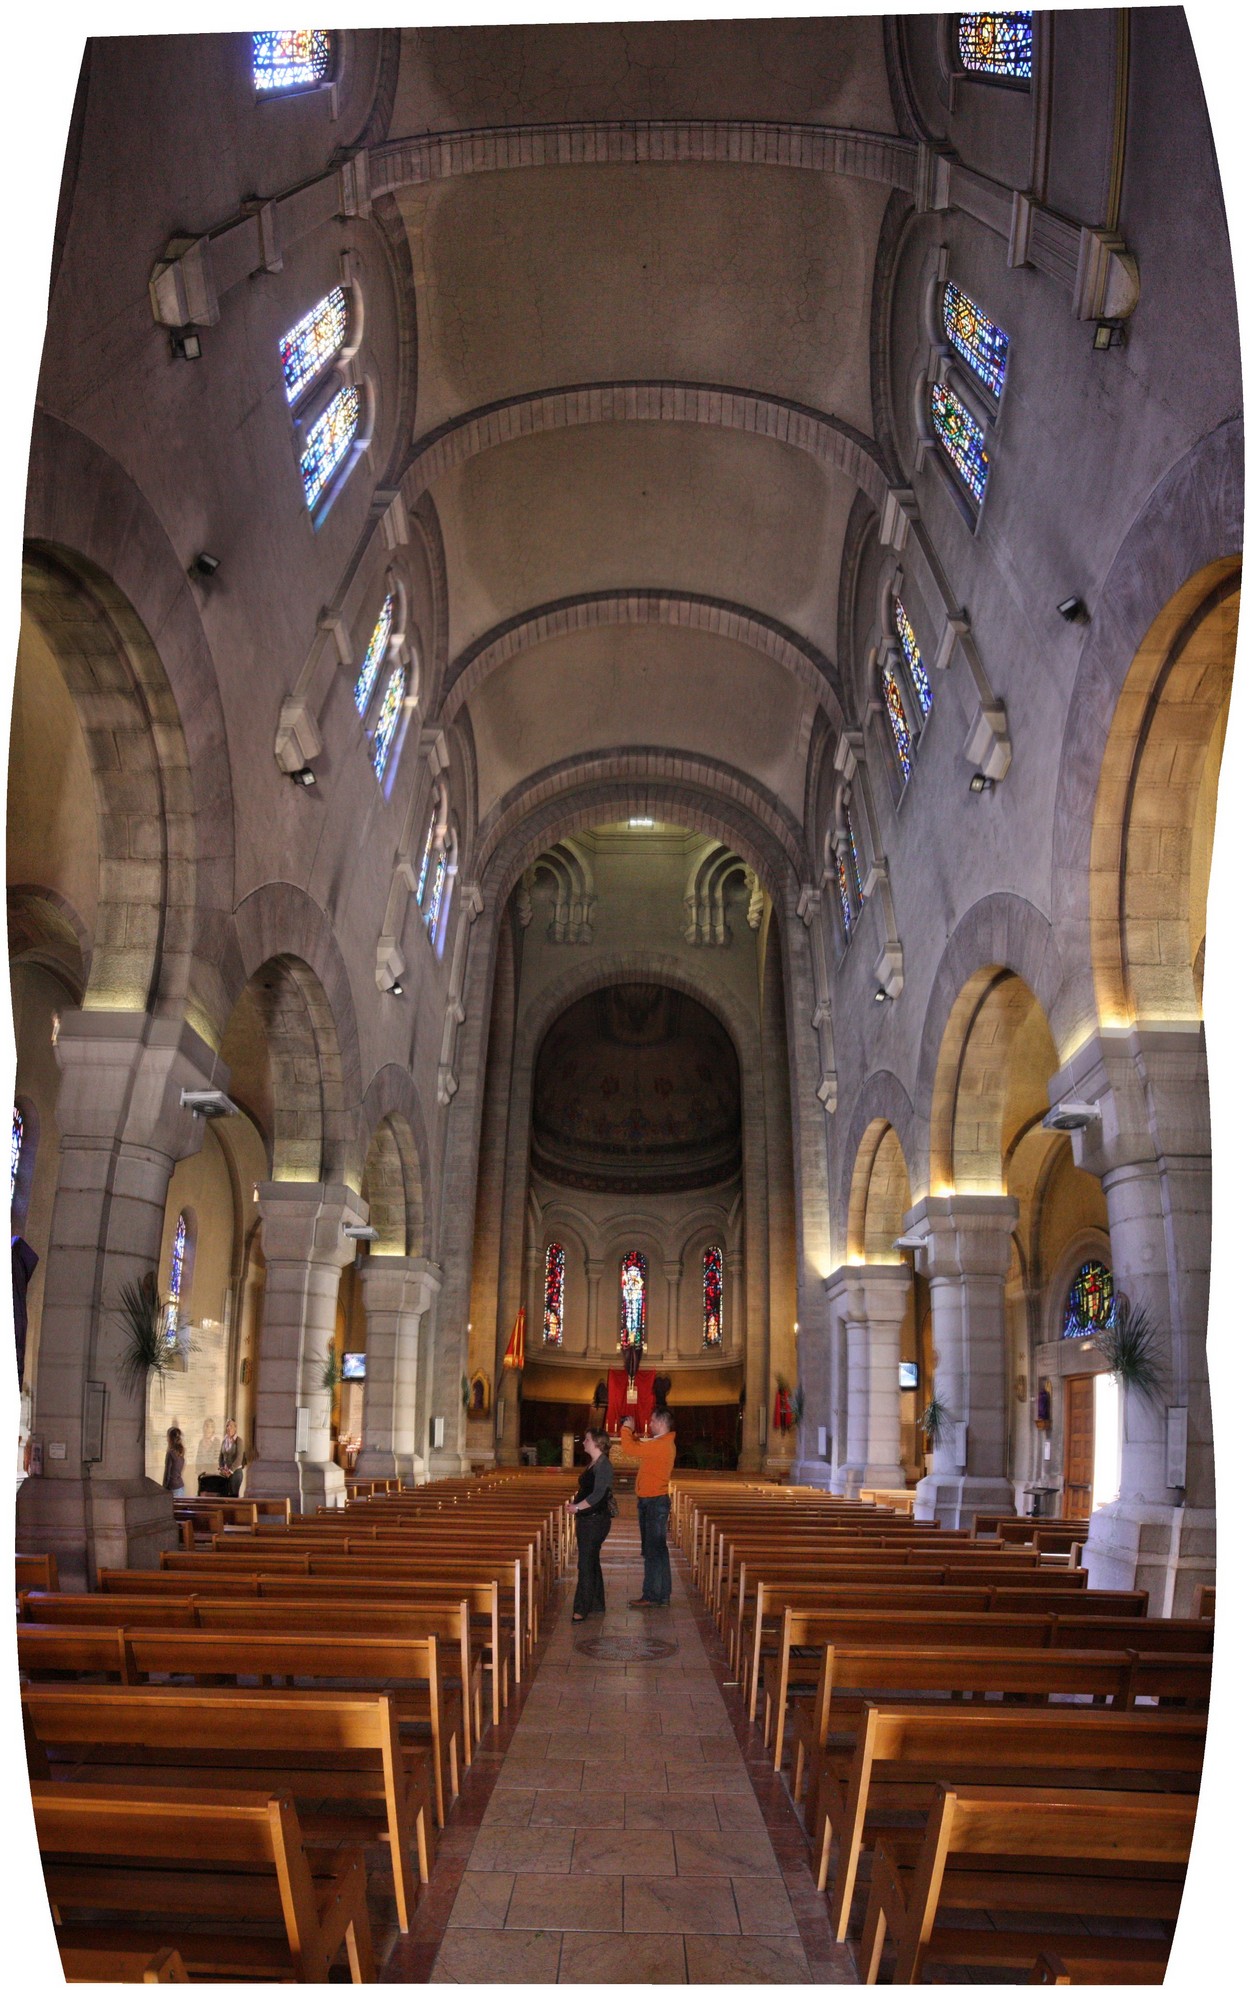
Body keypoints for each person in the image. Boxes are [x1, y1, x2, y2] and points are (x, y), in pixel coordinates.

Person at [619, 1406, 676, 1608]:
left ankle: (651, 1594)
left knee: (652, 1550)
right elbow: (640, 1447)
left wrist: (626, 1429)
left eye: (652, 1421)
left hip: (653, 1502)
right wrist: (633, 1434)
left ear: (661, 1422)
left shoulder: (661, 1444)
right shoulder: (663, 1443)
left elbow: (629, 1449)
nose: (650, 1424)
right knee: (658, 1550)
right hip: (654, 1500)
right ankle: (662, 1593)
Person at [568, 1426, 614, 1622]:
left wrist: (577, 1507)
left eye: (586, 1439)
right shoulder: (595, 1463)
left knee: (585, 1563)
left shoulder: (603, 1465)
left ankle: (581, 1608)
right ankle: (596, 1602)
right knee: (591, 1560)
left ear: (596, 1442)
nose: (584, 1442)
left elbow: (597, 1495)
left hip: (595, 1520)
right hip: (589, 1519)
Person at [219, 1418, 245, 1497]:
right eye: (227, 1426)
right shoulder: (224, 1440)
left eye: (230, 1426)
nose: (228, 1428)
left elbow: (239, 1458)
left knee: (233, 1496)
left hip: (236, 1473)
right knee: (225, 1495)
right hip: (226, 1473)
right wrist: (222, 1468)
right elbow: (221, 1456)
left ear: (235, 1428)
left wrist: (230, 1471)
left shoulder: (238, 1441)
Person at [161, 1425, 185, 1493]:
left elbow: (167, 1474)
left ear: (170, 1439)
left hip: (172, 1487)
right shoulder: (181, 1452)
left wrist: (163, 1488)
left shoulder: (170, 1453)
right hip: (181, 1486)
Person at [194, 1417, 218, 1481]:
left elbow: (217, 1460)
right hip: (202, 1475)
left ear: (212, 1429)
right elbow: (198, 1458)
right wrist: (198, 1471)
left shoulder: (216, 1441)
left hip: (212, 1475)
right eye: (204, 1426)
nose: (205, 1429)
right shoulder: (201, 1442)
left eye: (207, 1426)